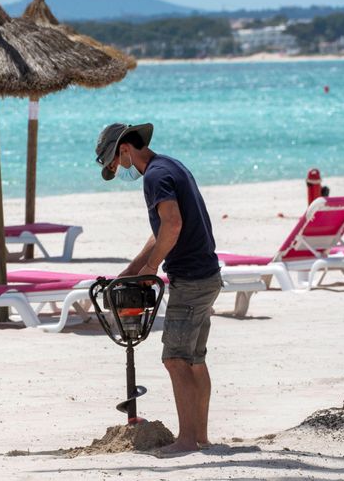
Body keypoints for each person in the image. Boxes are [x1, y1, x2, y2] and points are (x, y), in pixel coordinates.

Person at [94, 123, 222, 455]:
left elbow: (174, 223)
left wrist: (153, 268)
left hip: (191, 279)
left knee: (175, 359)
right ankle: (201, 437)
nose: (119, 169)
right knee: (195, 360)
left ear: (125, 149)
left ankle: (187, 440)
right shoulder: (170, 165)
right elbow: (161, 229)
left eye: (115, 161)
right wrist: (136, 269)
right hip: (207, 275)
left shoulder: (154, 176)